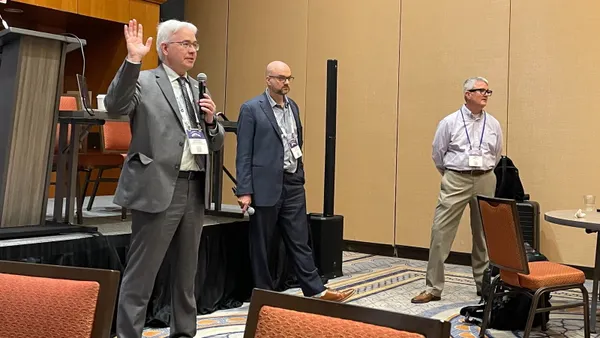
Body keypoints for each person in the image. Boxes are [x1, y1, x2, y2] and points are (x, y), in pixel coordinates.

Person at [104, 19, 225, 337]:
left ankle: (184, 332)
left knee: (187, 275)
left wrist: (212, 122)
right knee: (141, 274)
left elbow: (215, 140)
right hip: (157, 185)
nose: (193, 50)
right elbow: (115, 104)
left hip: (192, 188)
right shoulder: (145, 81)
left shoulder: (197, 87)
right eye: (186, 44)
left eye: (196, 44)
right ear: (165, 48)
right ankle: (129, 333)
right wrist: (132, 60)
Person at [235, 60, 355, 302]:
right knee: (262, 243)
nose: (285, 83)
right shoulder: (251, 109)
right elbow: (243, 153)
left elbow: (294, 142)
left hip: (292, 183)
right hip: (264, 186)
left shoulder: (293, 107)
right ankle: (264, 294)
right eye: (280, 78)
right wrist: (244, 190)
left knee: (300, 239)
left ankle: (316, 290)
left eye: (289, 78)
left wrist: (299, 174)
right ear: (268, 79)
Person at [411, 77, 503, 304]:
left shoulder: (493, 124)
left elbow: (497, 152)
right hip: (456, 179)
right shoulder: (449, 122)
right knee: (441, 231)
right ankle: (433, 287)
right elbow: (437, 153)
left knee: (483, 235)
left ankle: (484, 285)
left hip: (485, 179)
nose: (485, 94)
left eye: (487, 91)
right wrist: (452, 175)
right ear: (467, 94)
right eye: (480, 90)